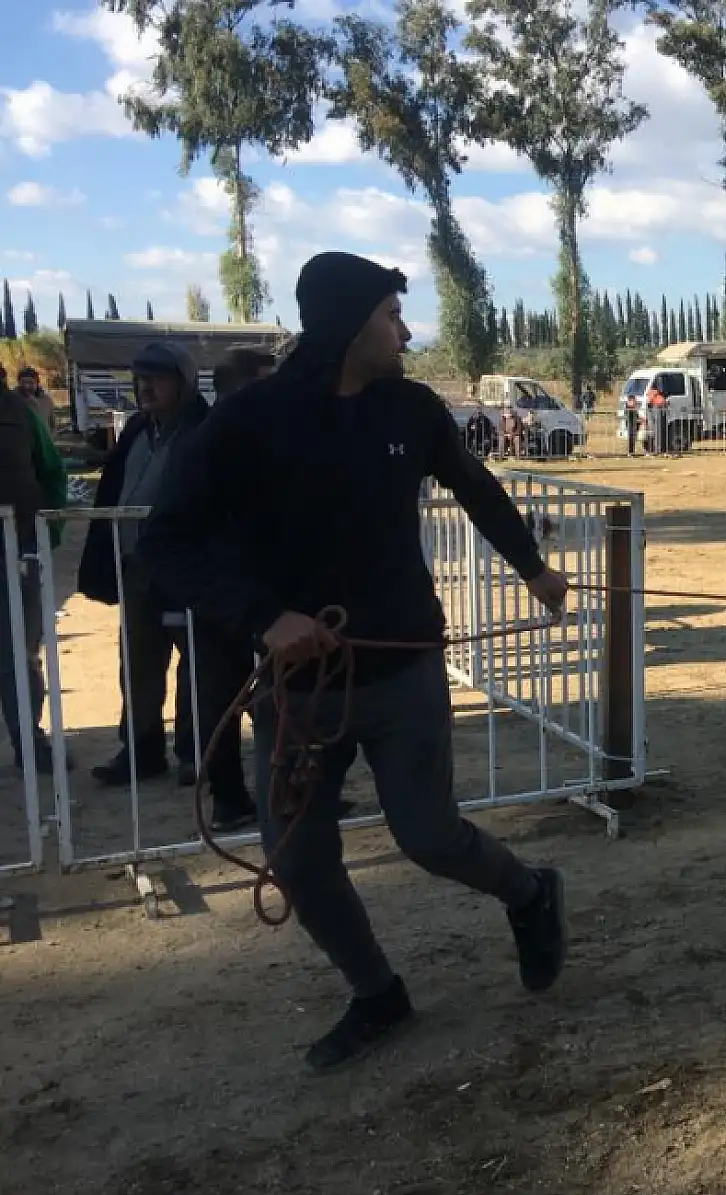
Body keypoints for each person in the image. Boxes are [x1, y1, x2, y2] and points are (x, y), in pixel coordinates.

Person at [138, 251, 571, 1071]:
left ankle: (529, 891)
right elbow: (167, 539)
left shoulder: (410, 409)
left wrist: (534, 569)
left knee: (430, 836)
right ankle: (377, 993)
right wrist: (264, 617)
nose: (406, 332)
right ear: (346, 322)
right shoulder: (245, 422)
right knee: (298, 861)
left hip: (404, 666)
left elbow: (475, 485)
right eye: (392, 315)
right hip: (299, 692)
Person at [77, 343, 258, 831]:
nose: (145, 388)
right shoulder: (137, 430)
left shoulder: (205, 430)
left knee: (199, 665)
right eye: (139, 379)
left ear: (182, 380)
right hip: (137, 567)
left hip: (188, 568)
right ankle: (138, 750)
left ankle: (192, 753)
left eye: (156, 378)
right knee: (137, 663)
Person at [0, 364, 69, 770]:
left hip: (18, 549)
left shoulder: (19, 412)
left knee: (20, 651)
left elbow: (53, 473)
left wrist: (46, 535)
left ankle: (29, 740)